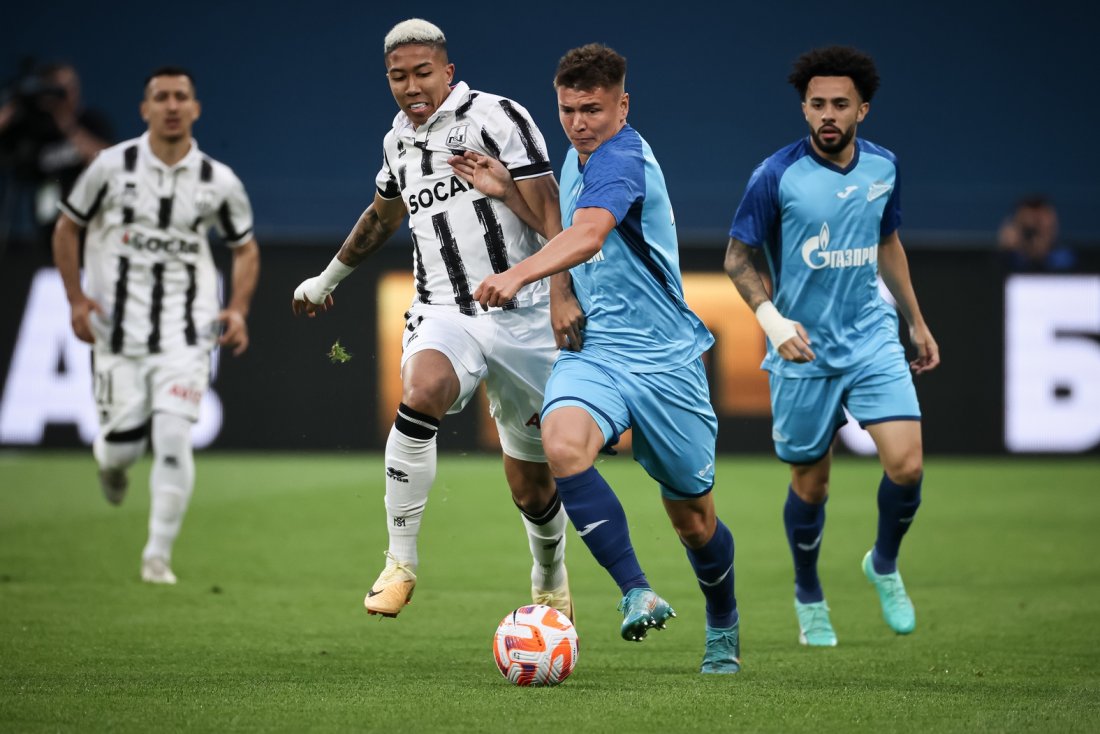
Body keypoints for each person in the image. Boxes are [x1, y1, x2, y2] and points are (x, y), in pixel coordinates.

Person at [463, 43, 741, 674]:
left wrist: (518, 275)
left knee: (695, 522)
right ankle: (636, 590)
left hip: (666, 360)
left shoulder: (622, 158)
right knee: (562, 446)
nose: (579, 123)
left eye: (592, 110)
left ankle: (723, 621)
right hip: (598, 351)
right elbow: (567, 225)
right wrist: (508, 192)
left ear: (623, 106)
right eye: (567, 110)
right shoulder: (578, 156)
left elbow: (589, 234)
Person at [291, 19, 580, 621]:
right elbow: (381, 216)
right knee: (422, 391)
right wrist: (325, 280)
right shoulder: (397, 142)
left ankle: (550, 576)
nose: (411, 86)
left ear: (448, 72)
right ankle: (399, 564)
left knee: (532, 485)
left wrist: (559, 294)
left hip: (526, 314)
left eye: (423, 72)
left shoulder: (498, 116)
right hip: (444, 311)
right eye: (398, 77)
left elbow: (551, 207)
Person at [724, 46, 939, 646]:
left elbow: (887, 242)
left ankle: (884, 563)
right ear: (804, 108)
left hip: (871, 336)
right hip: (803, 350)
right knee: (811, 485)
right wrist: (773, 322)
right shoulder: (775, 175)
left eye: (840, 104)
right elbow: (737, 258)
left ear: (862, 110)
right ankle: (808, 592)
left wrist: (916, 321)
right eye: (816, 103)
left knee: (908, 466)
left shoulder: (884, 167)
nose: (827, 114)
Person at [53, 67, 260, 585]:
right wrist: (75, 298)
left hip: (186, 333)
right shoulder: (110, 166)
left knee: (172, 434)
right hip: (116, 333)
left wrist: (237, 308)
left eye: (181, 97)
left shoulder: (218, 181)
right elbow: (67, 226)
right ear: (144, 108)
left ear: (195, 108)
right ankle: (111, 464)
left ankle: (157, 557)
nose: (171, 105)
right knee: (123, 447)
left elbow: (244, 248)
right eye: (161, 97)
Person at [0, 62, 113, 254]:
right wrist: (14, 105)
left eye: (72, 86)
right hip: (47, 230)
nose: (68, 93)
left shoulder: (90, 121)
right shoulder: (36, 130)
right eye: (60, 88)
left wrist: (67, 125)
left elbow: (107, 160)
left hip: (91, 227)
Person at [997, 195, 1076, 272]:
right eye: (1029, 231)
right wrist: (1006, 251)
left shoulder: (1066, 258)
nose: (1036, 237)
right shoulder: (1010, 259)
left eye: (1041, 224)